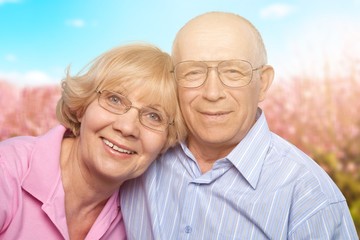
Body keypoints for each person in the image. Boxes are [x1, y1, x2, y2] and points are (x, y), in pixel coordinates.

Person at [120, 12, 358, 239]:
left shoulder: (310, 198)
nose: (212, 93)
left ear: (263, 83)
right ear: (173, 81)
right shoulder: (139, 156)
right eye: (193, 72)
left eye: (233, 72)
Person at [0, 43, 186, 239]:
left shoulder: (144, 217)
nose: (127, 127)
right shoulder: (7, 169)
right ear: (82, 107)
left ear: (166, 141)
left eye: (154, 116)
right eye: (115, 99)